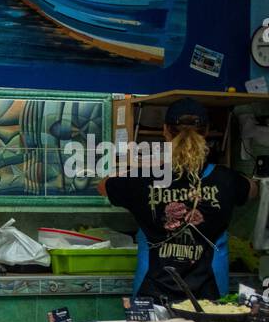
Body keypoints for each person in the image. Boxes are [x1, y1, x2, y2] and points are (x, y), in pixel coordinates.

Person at [101, 98, 256, 302]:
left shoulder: (142, 179)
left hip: (153, 293)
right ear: (207, 132)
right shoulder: (226, 179)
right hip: (210, 297)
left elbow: (104, 185)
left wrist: (150, 164)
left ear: (165, 131)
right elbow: (253, 189)